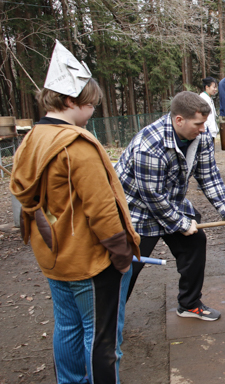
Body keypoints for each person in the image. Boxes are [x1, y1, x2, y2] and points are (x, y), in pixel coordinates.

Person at [10, 40, 140, 384]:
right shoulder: (76, 145)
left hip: (54, 256)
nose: (93, 111)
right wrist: (122, 253)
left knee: (67, 324)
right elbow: (102, 208)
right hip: (89, 260)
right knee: (101, 335)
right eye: (91, 104)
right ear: (70, 101)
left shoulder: (32, 139)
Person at [116, 91, 225, 321]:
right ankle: (108, 321)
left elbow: (209, 176)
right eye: (198, 123)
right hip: (136, 210)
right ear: (179, 120)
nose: (203, 128)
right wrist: (180, 223)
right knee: (127, 267)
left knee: (194, 243)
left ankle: (189, 304)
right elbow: (151, 196)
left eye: (205, 123)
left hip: (170, 201)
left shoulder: (201, 137)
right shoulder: (150, 144)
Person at [200, 77, 219, 142]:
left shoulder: (209, 98)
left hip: (211, 131)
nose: (215, 89)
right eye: (213, 87)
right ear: (207, 87)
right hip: (206, 132)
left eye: (216, 87)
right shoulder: (203, 98)